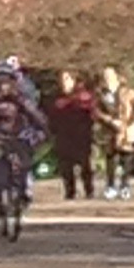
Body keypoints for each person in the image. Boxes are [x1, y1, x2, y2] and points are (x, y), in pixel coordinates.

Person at [0, 55, 49, 213]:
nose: (3, 85)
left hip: (18, 140)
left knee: (23, 164)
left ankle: (22, 193)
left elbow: (37, 116)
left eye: (7, 81)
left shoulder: (21, 101)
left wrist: (41, 131)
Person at [47, 71, 99, 200]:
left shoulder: (84, 96)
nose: (64, 82)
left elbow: (92, 114)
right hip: (64, 136)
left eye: (67, 79)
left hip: (81, 136)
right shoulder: (56, 98)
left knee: (84, 164)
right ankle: (70, 191)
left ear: (73, 80)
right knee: (66, 166)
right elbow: (52, 116)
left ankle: (89, 190)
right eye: (62, 79)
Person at [96, 68, 134, 199]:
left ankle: (125, 186)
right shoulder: (101, 94)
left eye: (110, 75)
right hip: (109, 130)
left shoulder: (128, 92)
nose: (107, 78)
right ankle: (110, 186)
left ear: (116, 76)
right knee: (110, 159)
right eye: (105, 76)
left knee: (126, 158)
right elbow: (97, 111)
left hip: (126, 130)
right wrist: (109, 120)